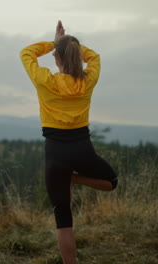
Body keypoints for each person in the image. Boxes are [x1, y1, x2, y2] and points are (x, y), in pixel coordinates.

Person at [20, 20, 118, 264]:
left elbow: (26, 53)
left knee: (63, 219)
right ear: (76, 55)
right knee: (112, 181)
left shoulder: (46, 80)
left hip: (55, 153)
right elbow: (94, 57)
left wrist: (54, 42)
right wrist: (70, 44)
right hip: (82, 149)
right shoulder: (87, 81)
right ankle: (75, 178)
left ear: (56, 58)